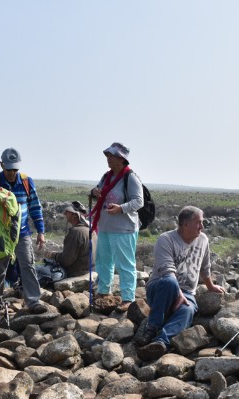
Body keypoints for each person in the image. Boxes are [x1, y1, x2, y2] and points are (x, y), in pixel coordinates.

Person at [133, 206, 225, 361]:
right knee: (170, 283)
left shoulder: (203, 240)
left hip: (187, 292)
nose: (202, 227)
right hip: (161, 286)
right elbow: (168, 271)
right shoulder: (166, 239)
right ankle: (151, 327)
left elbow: (205, 267)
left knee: (188, 310)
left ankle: (160, 342)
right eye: (198, 223)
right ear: (185, 224)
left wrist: (210, 286)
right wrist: (179, 294)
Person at [0, 148, 47, 314]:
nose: (12, 173)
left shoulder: (27, 182)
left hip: (23, 232)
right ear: (1, 165)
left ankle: (33, 301)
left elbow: (35, 206)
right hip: (1, 234)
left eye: (15, 169)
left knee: (28, 264)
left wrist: (40, 231)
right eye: (9, 169)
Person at [89, 142, 143, 312]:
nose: (109, 159)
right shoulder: (106, 177)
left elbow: (138, 201)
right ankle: (104, 291)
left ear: (121, 159)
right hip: (105, 226)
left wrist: (121, 208)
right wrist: (93, 192)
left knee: (125, 263)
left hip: (123, 228)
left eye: (112, 156)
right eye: (108, 155)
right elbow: (97, 191)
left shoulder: (131, 177)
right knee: (103, 261)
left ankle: (128, 298)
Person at [44, 201, 91, 278]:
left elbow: (66, 261)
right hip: (90, 270)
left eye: (68, 212)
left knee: (41, 271)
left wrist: (53, 255)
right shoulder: (89, 230)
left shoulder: (76, 232)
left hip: (77, 272)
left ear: (74, 215)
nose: (65, 214)